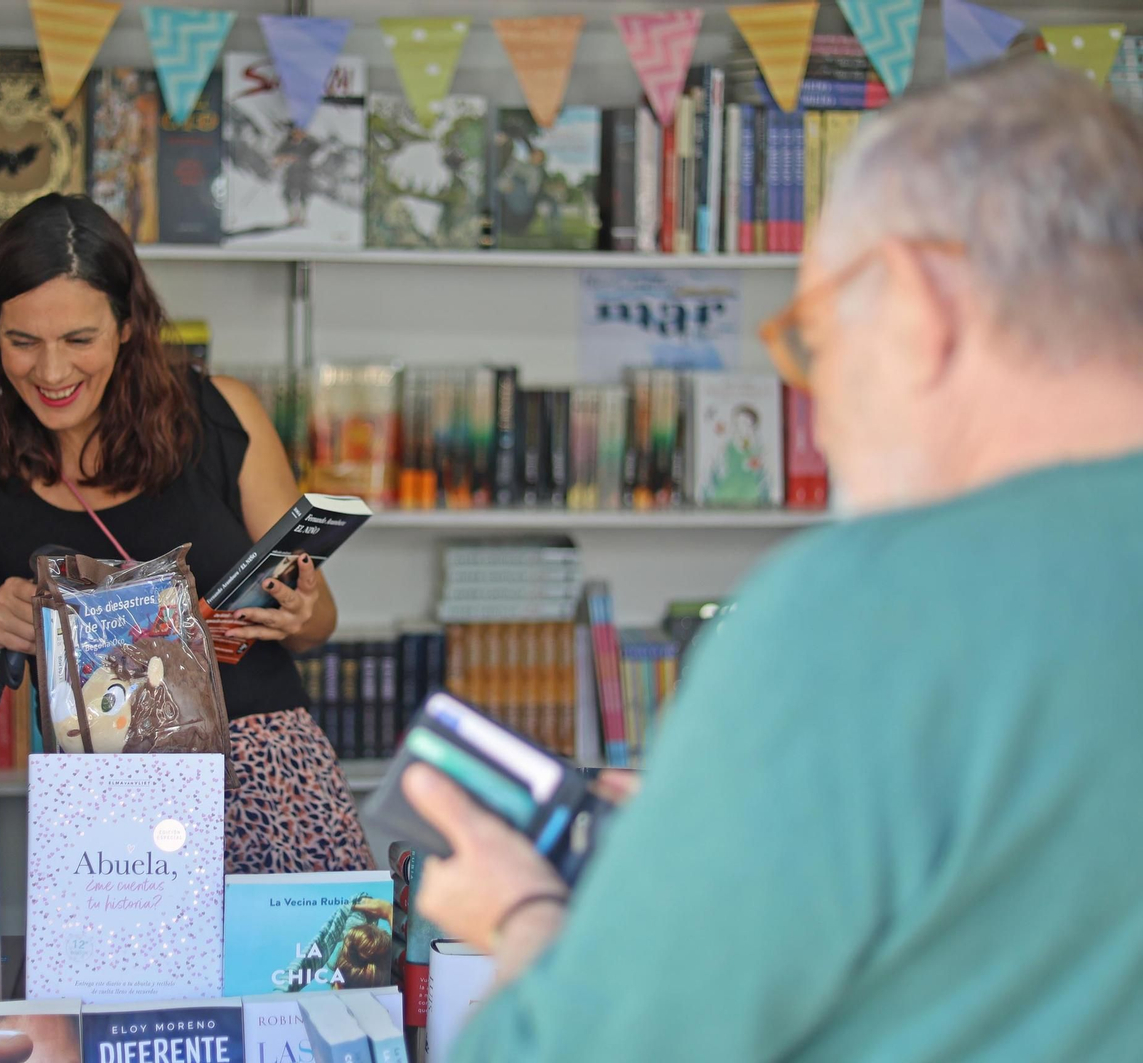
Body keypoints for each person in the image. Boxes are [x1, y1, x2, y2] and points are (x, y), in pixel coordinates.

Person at [407, 61, 1143, 1061]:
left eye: (814, 341)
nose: (816, 413)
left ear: (921, 302)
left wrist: (528, 913)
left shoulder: (870, 606)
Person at [0, 193, 371, 874]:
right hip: (109, 812)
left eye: (79, 339)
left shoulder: (223, 415)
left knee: (318, 981)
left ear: (127, 325)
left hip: (270, 778)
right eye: (22, 341)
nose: (52, 371)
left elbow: (318, 622)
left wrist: (300, 610)